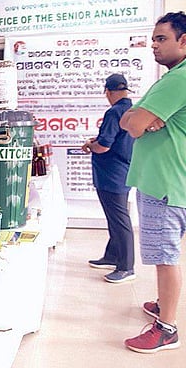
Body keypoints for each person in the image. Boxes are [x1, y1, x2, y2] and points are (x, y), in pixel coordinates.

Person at [119, 11, 186, 353]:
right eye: (153, 39)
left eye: (162, 39)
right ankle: (164, 304)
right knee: (166, 253)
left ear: (184, 40)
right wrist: (138, 118)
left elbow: (132, 123)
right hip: (171, 180)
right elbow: (132, 117)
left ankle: (167, 328)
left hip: (164, 184)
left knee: (165, 256)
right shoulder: (174, 77)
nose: (154, 45)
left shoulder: (179, 79)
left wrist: (137, 118)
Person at [82, 73, 135, 283]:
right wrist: (98, 140)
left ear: (108, 92)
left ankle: (126, 267)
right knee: (115, 217)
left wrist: (89, 146)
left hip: (111, 175)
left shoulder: (114, 112)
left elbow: (103, 146)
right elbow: (116, 139)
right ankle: (112, 255)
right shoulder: (132, 111)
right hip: (123, 171)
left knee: (120, 220)